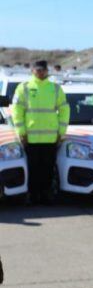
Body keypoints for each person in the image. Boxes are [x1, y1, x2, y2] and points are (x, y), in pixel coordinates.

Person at [11, 60, 69, 204]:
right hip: (30, 138)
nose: (40, 72)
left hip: (50, 138)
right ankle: (32, 195)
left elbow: (64, 110)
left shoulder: (55, 89)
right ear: (32, 70)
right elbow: (17, 111)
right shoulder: (23, 88)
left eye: (43, 70)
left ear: (47, 71)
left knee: (48, 169)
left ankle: (46, 195)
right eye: (38, 70)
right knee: (32, 168)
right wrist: (21, 131)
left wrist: (61, 132)